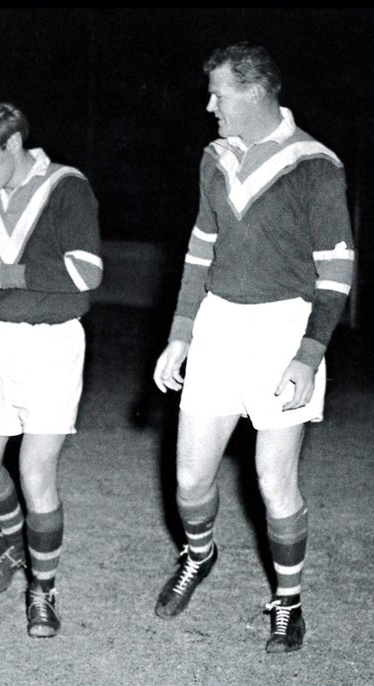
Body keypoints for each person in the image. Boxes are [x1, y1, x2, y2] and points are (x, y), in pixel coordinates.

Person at [152, 42, 355, 653]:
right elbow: (198, 249)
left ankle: (287, 602)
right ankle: (199, 554)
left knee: (274, 480)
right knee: (190, 479)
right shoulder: (215, 157)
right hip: (219, 323)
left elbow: (337, 271)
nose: (210, 104)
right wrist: (181, 332)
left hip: (282, 330)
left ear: (257, 91)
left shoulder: (316, 164)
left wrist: (308, 354)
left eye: (220, 92)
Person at [0, 102, 103, 637]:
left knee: (37, 475)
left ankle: (44, 590)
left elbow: (86, 273)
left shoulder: (67, 187)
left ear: (12, 144)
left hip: (53, 345)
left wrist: (4, 273)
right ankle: (14, 541)